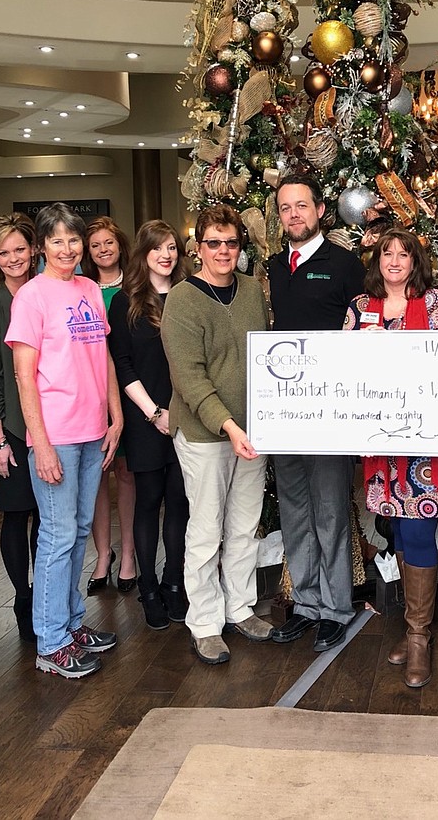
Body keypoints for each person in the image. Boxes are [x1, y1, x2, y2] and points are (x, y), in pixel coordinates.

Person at [6, 202, 123, 678]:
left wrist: (115, 416)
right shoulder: (31, 298)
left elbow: (105, 357)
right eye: (56, 241)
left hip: (93, 431)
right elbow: (23, 377)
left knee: (77, 533)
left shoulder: (91, 289)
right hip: (55, 435)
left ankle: (72, 625)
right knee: (56, 538)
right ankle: (50, 643)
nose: (68, 249)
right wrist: (42, 443)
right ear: (41, 247)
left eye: (73, 240)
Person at [344, 228, 438, 688]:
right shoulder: (359, 307)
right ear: (377, 260)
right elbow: (343, 369)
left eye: (404, 253)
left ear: (416, 261)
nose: (395, 260)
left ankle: (418, 638)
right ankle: (412, 627)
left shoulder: (434, 305)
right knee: (393, 530)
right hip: (380, 449)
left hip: (421, 448)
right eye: (387, 253)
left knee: (418, 533)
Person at [161, 204, 273, 665]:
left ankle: (239, 607)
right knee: (206, 530)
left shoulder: (252, 291)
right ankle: (205, 622)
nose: (223, 251)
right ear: (198, 247)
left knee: (245, 526)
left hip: (253, 433)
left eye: (231, 242)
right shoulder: (182, 300)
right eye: (214, 243)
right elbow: (190, 379)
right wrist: (229, 426)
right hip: (208, 436)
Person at [267, 175, 366, 652]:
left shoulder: (346, 265)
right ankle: (306, 604)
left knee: (330, 512)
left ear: (321, 209)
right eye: (285, 208)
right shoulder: (271, 267)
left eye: (301, 206)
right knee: (296, 512)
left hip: (331, 414)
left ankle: (337, 608)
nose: (293, 215)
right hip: (284, 415)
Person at [108, 220, 190, 631]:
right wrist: (155, 413)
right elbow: (122, 363)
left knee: (180, 503)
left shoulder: (189, 294)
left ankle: (175, 584)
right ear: (143, 254)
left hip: (189, 416)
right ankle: (150, 588)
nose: (166, 255)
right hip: (147, 417)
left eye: (172, 247)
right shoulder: (126, 302)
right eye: (158, 248)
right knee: (148, 502)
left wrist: (180, 412)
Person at [0, 213, 41, 642]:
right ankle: (23, 599)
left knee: (48, 521)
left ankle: (48, 597)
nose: (14, 258)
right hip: (14, 431)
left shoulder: (45, 296)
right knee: (17, 516)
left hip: (52, 427)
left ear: (34, 250)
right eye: (4, 253)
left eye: (20, 249)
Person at [83, 216, 136, 593]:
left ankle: (129, 553)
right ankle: (103, 555)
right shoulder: (82, 288)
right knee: (96, 475)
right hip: (91, 389)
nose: (103, 249)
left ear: (120, 245)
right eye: (95, 245)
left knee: (126, 472)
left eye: (108, 242)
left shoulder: (135, 285)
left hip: (130, 388)